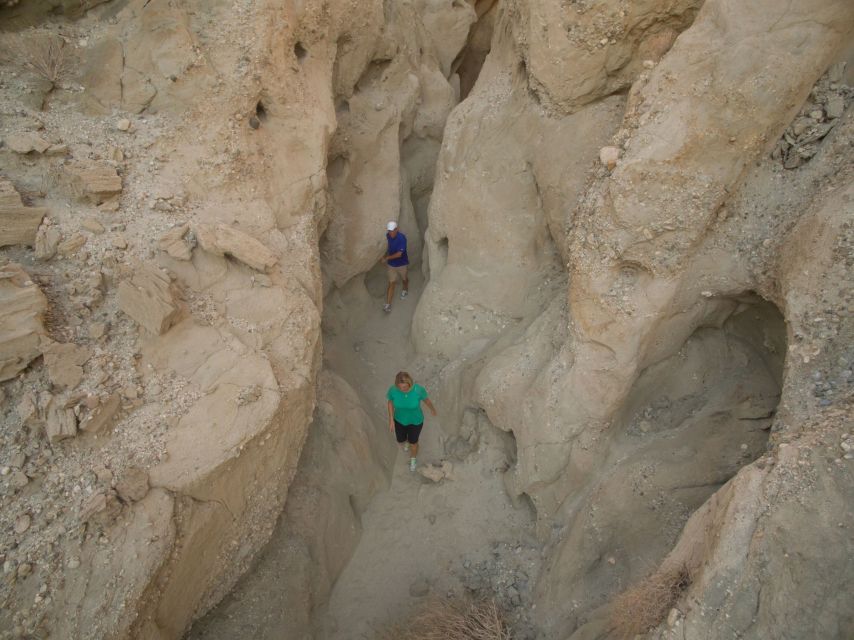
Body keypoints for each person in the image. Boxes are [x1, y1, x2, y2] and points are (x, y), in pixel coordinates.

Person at [386, 371, 436, 472]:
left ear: (410, 383)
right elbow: (390, 401)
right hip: (399, 420)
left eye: (405, 387)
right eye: (400, 387)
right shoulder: (393, 390)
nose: (402, 390)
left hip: (415, 421)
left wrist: (432, 409)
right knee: (401, 440)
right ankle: (407, 442)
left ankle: (413, 458)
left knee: (413, 442)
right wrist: (391, 419)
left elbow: (426, 400)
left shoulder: (418, 390)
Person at [379, 220, 408, 313]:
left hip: (402, 264)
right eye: (389, 231)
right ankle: (388, 304)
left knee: (404, 279)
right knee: (391, 283)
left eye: (392, 230)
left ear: (397, 229)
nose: (390, 232)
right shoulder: (388, 236)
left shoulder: (402, 238)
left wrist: (386, 258)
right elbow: (388, 246)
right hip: (391, 265)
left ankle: (405, 289)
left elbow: (399, 254)